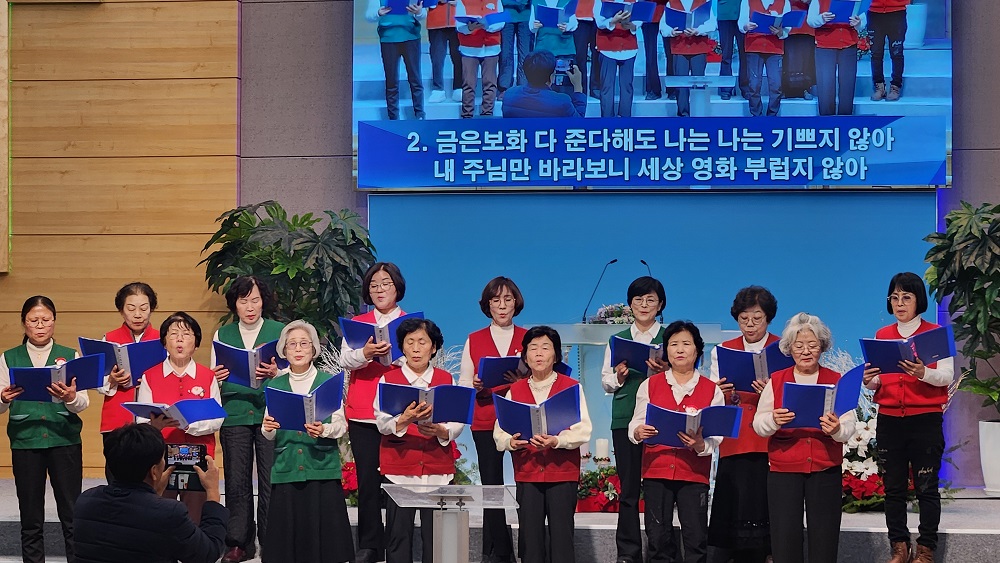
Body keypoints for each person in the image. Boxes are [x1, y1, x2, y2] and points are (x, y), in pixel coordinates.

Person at [862, 273, 953, 563]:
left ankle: (926, 549)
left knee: (927, 488)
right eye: (895, 297)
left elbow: (947, 376)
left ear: (918, 300)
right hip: (890, 420)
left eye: (906, 297)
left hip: (924, 419)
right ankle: (899, 547)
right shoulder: (882, 335)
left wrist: (922, 372)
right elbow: (878, 381)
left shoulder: (934, 333)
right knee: (894, 489)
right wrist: (869, 381)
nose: (900, 303)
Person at [752, 313, 856, 563]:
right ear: (789, 348)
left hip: (825, 467)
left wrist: (836, 429)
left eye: (812, 345)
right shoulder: (777, 380)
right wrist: (774, 420)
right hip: (784, 468)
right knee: (784, 538)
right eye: (799, 346)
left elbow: (849, 424)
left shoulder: (836, 379)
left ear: (822, 347)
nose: (806, 351)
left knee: (825, 538)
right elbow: (758, 424)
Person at [0, 296, 90, 563]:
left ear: (54, 321)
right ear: (24, 323)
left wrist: (70, 397)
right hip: (25, 442)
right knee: (30, 517)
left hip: (65, 440)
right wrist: (3, 398)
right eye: (33, 320)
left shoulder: (70, 355)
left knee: (72, 514)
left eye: (46, 320)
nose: (40, 326)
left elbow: (83, 402)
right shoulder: (8, 358)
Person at [629, 321, 725, 563]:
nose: (679, 349)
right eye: (673, 344)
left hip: (693, 474)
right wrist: (639, 431)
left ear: (697, 350)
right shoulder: (649, 385)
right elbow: (635, 423)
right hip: (656, 470)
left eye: (686, 344)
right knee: (658, 538)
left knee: (696, 539)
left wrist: (700, 445)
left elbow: (716, 437)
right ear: (666, 351)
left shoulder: (712, 390)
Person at [494, 326, 592, 563]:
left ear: (556, 355)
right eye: (533, 348)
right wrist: (511, 442)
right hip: (527, 473)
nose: (538, 353)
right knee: (530, 540)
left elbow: (583, 429)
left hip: (562, 473)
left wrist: (557, 440)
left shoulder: (571, 387)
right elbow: (500, 431)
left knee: (562, 540)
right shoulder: (515, 390)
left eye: (545, 348)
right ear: (525, 356)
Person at [261, 320, 354, 563]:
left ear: (314, 349)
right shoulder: (275, 385)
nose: (298, 349)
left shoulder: (327, 382)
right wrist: (268, 428)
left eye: (304, 343)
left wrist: (323, 430)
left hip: (321, 468)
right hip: (287, 468)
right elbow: (267, 430)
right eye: (292, 344)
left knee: (325, 544)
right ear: (284, 351)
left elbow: (341, 425)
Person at [375, 318, 464, 563]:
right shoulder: (388, 380)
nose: (416, 348)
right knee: (398, 541)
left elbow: (457, 421)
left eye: (422, 342)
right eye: (410, 342)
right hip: (399, 474)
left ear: (433, 348)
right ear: (402, 347)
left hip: (438, 472)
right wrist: (403, 420)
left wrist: (441, 431)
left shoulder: (446, 379)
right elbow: (381, 421)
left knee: (439, 545)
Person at [73, 424, 228, 563]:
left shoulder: (85, 500)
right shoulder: (169, 513)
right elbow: (207, 553)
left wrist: (154, 493)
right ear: (154, 471)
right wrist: (213, 493)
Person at [210, 276, 284, 563]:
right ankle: (238, 542)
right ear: (235, 304)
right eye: (244, 301)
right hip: (235, 412)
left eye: (255, 300)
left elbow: (294, 373)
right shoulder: (223, 334)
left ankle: (271, 539)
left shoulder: (279, 331)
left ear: (263, 301)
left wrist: (276, 373)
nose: (250, 307)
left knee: (270, 479)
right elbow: (212, 377)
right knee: (237, 479)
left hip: (270, 414)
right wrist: (216, 377)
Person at [340, 261, 409, 563]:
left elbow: (422, 359)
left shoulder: (410, 324)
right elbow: (344, 360)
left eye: (386, 284)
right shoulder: (358, 322)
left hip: (398, 411)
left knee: (397, 480)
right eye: (374, 285)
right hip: (363, 410)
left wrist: (399, 358)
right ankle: (369, 545)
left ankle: (397, 545)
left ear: (397, 287)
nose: (380, 290)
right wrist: (365, 354)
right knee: (367, 480)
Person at [458, 277, 528, 563]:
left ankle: (529, 547)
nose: (502, 305)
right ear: (487, 305)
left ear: (516, 303)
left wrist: (523, 380)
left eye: (507, 299)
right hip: (485, 418)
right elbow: (464, 382)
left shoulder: (528, 337)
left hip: (520, 418)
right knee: (491, 485)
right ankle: (498, 551)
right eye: (496, 300)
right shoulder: (474, 339)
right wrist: (475, 386)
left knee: (526, 484)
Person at [707, 286, 779, 563]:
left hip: (770, 434)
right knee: (734, 494)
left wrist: (770, 391)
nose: (750, 324)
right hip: (735, 432)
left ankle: (766, 553)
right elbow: (712, 392)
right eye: (744, 318)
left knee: (762, 494)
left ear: (768, 318)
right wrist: (721, 390)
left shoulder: (782, 348)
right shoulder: (724, 350)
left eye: (757, 318)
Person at [600, 276, 668, 563]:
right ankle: (628, 553)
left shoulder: (670, 336)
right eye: (638, 299)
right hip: (624, 416)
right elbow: (605, 382)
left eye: (650, 299)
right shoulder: (618, 340)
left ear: (660, 305)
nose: (644, 304)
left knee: (658, 489)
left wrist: (664, 371)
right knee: (628, 489)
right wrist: (618, 376)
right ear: (630, 304)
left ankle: (660, 551)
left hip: (661, 417)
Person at [137, 312, 225, 525]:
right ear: (164, 342)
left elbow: (217, 419)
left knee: (195, 518)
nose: (179, 339)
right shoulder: (150, 376)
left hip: (199, 457)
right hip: (160, 456)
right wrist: (154, 426)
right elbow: (140, 420)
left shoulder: (208, 376)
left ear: (196, 343)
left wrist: (190, 426)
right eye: (173, 334)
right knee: (159, 517)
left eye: (186, 334)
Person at [97, 282, 161, 482]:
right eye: (131, 308)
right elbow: (97, 382)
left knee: (151, 477)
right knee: (116, 477)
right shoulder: (109, 339)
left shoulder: (162, 339)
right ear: (121, 310)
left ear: (151, 309)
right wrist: (111, 380)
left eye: (144, 308)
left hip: (151, 419)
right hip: (116, 419)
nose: (138, 314)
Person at [366, 0, 428, 120]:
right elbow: (369, 15)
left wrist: (419, 12)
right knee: (391, 80)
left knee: (415, 78)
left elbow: (422, 14)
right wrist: (378, 13)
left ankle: (420, 114)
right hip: (388, 39)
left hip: (411, 38)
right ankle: (393, 117)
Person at [660, 0, 718, 116]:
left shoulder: (704, 2)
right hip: (679, 49)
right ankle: (683, 114)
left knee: (699, 83)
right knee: (681, 84)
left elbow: (712, 24)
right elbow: (663, 26)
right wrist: (671, 32)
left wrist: (698, 31)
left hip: (699, 48)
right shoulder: (671, 3)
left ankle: (699, 113)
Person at [808, 0, 864, 115]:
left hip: (849, 43)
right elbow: (810, 20)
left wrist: (858, 23)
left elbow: (862, 21)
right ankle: (826, 120)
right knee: (825, 84)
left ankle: (845, 119)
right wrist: (821, 19)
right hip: (825, 45)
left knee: (848, 85)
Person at [456, 0, 506, 118]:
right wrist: (469, 28)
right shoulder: (462, 1)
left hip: (491, 48)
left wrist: (487, 26)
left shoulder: (496, 0)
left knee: (490, 83)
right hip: (469, 49)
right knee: (468, 83)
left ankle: (487, 115)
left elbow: (501, 22)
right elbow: (459, 25)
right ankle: (467, 115)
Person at [739, 0, 790, 116]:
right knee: (754, 84)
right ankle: (756, 114)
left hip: (775, 48)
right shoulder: (748, 1)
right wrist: (746, 26)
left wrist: (780, 32)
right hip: (754, 46)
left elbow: (788, 26)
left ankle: (772, 115)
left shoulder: (784, 2)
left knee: (776, 84)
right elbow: (741, 23)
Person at [502, 50, 588, 117]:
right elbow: (578, 123)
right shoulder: (562, 101)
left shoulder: (509, 95)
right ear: (551, 76)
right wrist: (578, 87)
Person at [594, 0, 642, 117]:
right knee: (607, 86)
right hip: (607, 48)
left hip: (629, 48)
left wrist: (632, 25)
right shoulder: (601, 1)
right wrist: (613, 21)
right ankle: (607, 120)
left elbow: (640, 19)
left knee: (627, 86)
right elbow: (599, 22)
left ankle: (625, 118)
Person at [868, 0, 908, 101]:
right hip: (874, 13)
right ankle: (879, 86)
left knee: (896, 53)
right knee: (876, 53)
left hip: (897, 12)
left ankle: (895, 86)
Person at [427, 0, 464, 103]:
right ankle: (437, 89)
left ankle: (459, 87)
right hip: (436, 21)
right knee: (437, 58)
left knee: (459, 56)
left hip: (458, 20)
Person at [782, 0, 816, 100]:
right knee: (788, 59)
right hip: (788, 22)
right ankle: (786, 89)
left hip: (806, 22)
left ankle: (805, 88)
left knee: (806, 59)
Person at [717, 0, 750, 100]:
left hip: (744, 14)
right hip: (725, 14)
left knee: (745, 55)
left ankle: (745, 87)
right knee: (726, 55)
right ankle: (725, 88)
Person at [499, 0, 532, 96]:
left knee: (525, 54)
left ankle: (523, 86)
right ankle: (504, 87)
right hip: (506, 15)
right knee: (505, 53)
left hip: (526, 15)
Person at [640, 0, 672, 101]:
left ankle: (673, 88)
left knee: (671, 54)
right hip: (649, 12)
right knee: (650, 55)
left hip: (668, 11)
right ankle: (653, 90)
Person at [572, 0, 602, 98]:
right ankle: (580, 87)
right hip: (579, 17)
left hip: (599, 16)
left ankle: (595, 86)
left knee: (597, 53)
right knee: (580, 55)